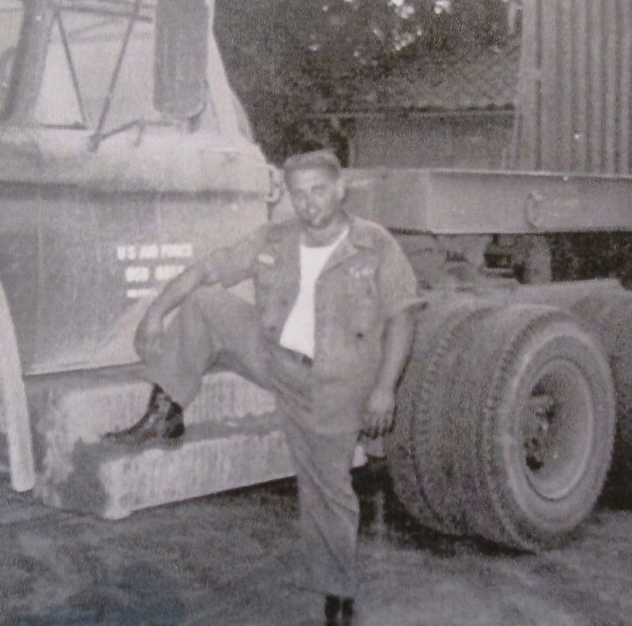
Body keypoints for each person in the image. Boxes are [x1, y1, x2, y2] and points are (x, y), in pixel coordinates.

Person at [104, 148, 418, 626]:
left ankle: (338, 599)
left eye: (318, 191)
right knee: (207, 303)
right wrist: (156, 310)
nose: (309, 203)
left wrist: (384, 389)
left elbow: (402, 317)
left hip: (332, 386)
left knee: (327, 494)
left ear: (340, 189)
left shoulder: (373, 245)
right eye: (299, 194)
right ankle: (166, 408)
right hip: (274, 359)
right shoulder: (277, 237)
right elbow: (208, 269)